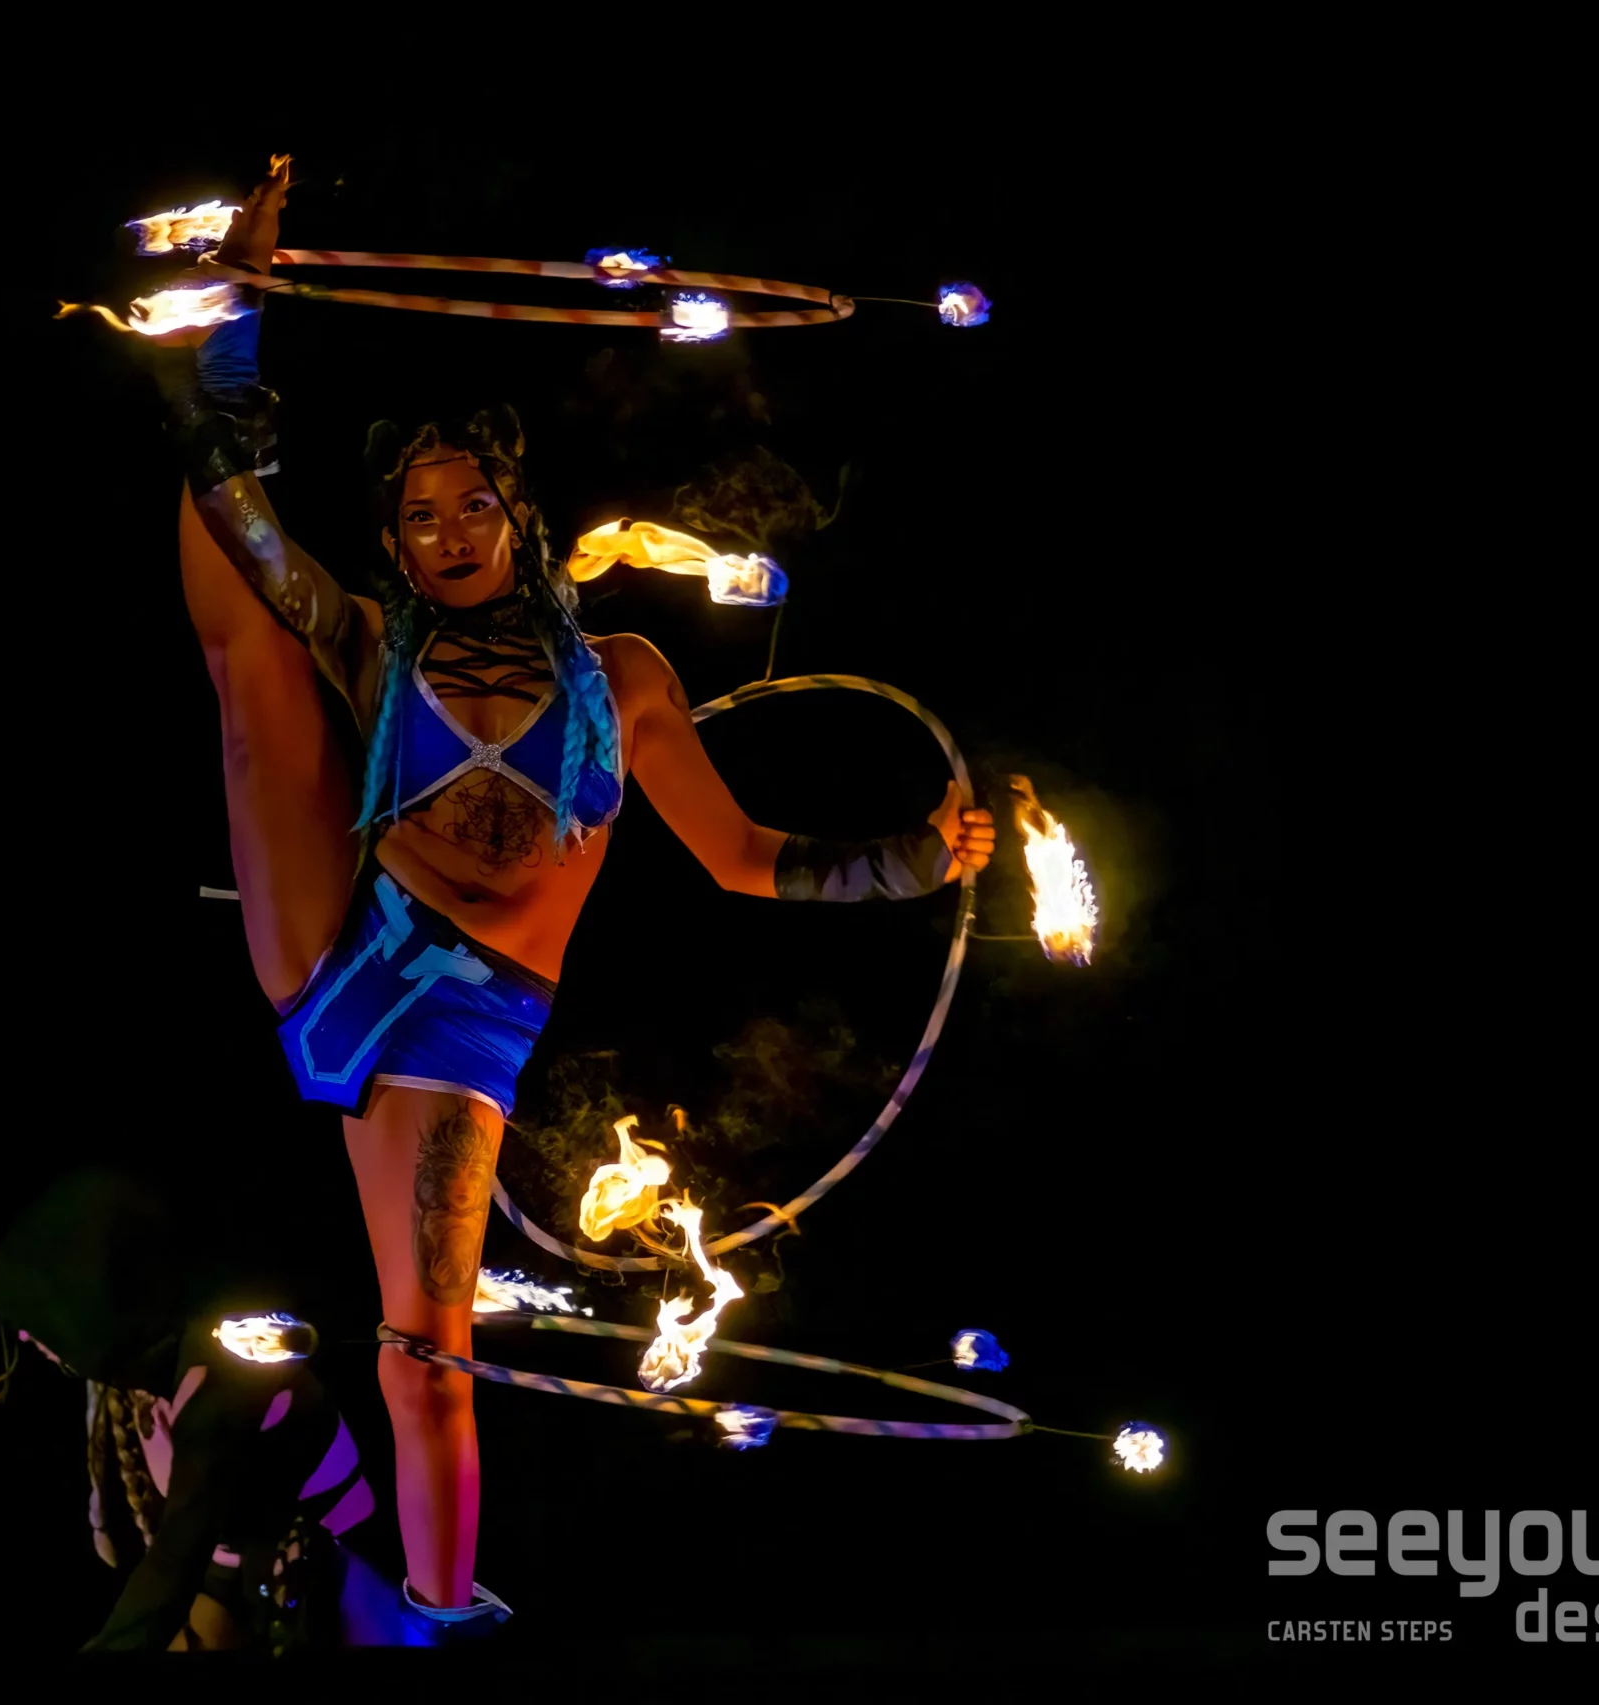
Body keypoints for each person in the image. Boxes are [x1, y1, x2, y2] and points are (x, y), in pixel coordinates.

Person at [156, 157, 995, 1640]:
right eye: (419, 515)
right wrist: (240, 302)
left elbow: (743, 858)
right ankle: (232, 310)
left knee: (426, 1347)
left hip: (468, 1016)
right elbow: (243, 520)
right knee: (249, 652)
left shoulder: (626, 677)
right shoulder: (377, 637)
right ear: (397, 541)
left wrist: (915, 859)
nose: (447, 530)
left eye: (470, 502)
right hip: (349, 934)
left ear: (516, 509)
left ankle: (440, 1617)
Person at [0, 1166, 421, 1653]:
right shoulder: (143, 1384)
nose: (26, 1335)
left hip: (332, 1583)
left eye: (44, 1310)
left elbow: (174, 1565)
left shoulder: (222, 1382)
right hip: (242, 1572)